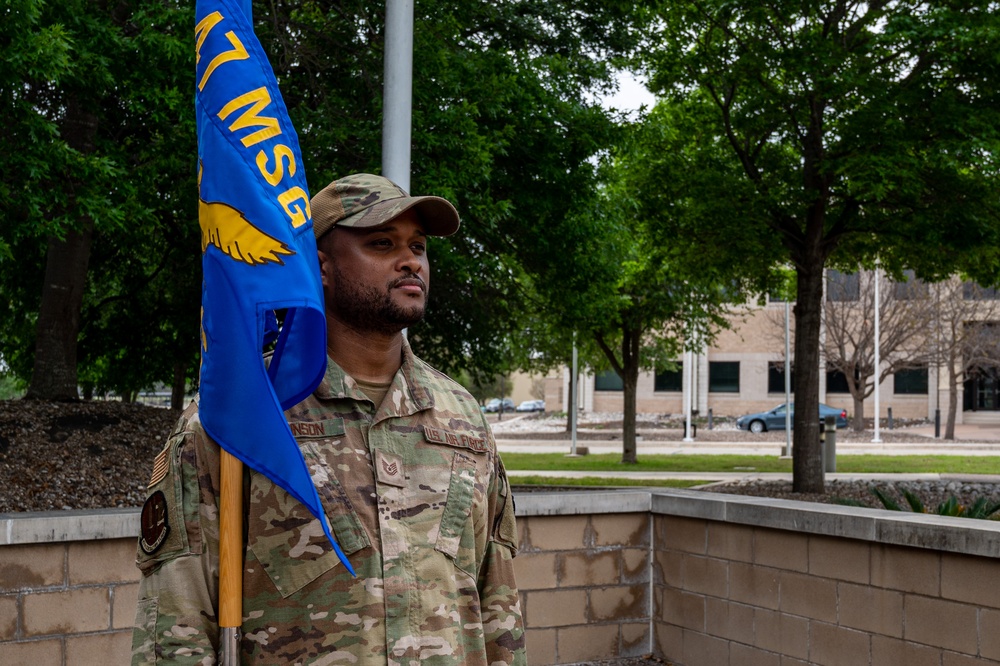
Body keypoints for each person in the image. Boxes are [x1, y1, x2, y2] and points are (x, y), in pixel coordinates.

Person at [131, 174, 525, 664]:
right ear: (319, 268)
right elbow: (176, 625)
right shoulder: (243, 418)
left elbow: (498, 602)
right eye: (382, 243)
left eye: (418, 246)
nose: (411, 261)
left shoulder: (461, 416)